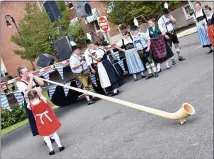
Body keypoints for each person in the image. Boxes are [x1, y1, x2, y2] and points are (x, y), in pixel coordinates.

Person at [16, 66, 55, 144]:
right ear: (21, 74)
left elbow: (42, 83)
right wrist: (31, 79)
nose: (27, 73)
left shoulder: (32, 77)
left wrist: (34, 77)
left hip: (39, 100)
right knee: (38, 120)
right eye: (25, 72)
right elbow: (28, 89)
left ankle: (51, 134)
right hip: (31, 103)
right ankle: (45, 137)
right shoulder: (19, 83)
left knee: (46, 116)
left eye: (28, 70)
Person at [27, 89, 64, 155]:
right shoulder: (43, 100)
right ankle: (60, 146)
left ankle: (51, 150)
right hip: (47, 118)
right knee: (54, 133)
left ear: (29, 97)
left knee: (46, 136)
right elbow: (43, 97)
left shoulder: (29, 105)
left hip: (40, 121)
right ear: (37, 95)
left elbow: (29, 104)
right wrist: (39, 93)